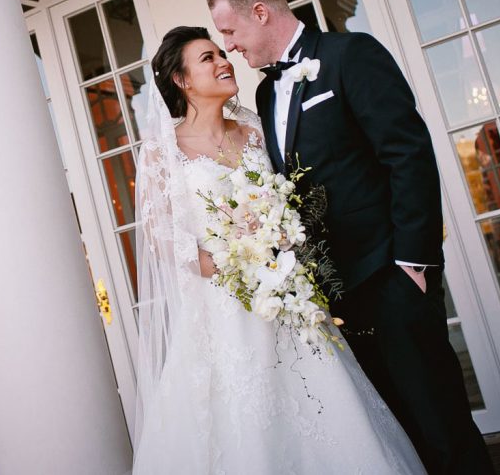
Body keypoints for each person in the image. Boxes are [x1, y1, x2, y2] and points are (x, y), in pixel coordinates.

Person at [208, 0, 493, 474]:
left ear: (260, 11)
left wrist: (413, 263)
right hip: (335, 294)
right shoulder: (266, 93)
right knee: (397, 434)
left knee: (441, 423)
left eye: (229, 31)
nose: (229, 45)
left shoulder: (349, 55)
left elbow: (407, 154)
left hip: (391, 277)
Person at [132, 25, 424, 473]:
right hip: (224, 306)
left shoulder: (252, 126)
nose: (224, 60)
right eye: (207, 58)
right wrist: (226, 262)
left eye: (221, 52)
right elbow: (160, 234)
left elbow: (289, 197)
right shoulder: (160, 152)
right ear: (181, 80)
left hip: (287, 291)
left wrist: (281, 241)